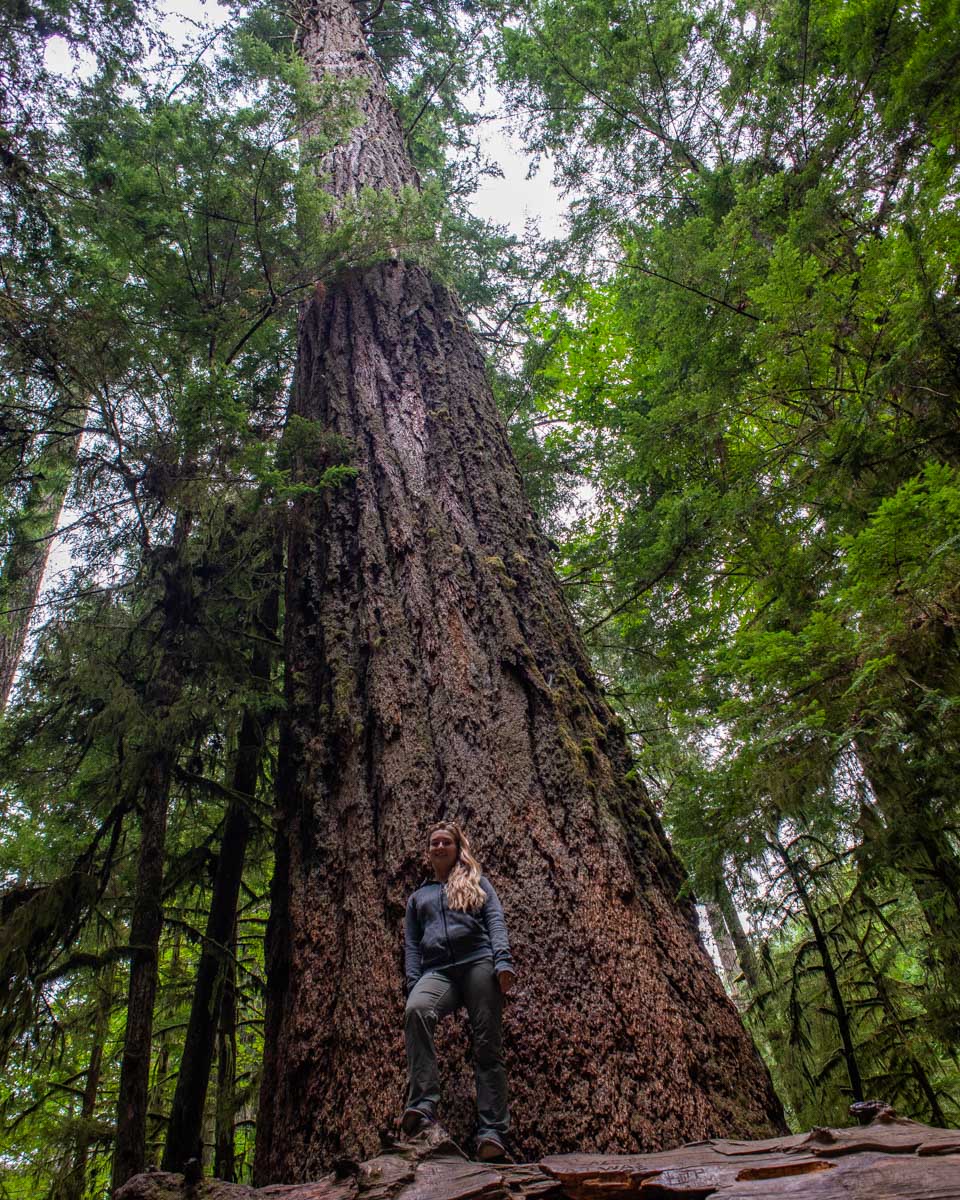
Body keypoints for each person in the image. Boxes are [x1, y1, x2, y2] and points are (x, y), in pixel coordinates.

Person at [402, 822, 515, 1161]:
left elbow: (495, 919)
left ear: (457, 847)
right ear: (429, 851)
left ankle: (492, 1131)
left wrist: (503, 960)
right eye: (434, 842)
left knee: (487, 1046)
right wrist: (412, 984)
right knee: (417, 1010)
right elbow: (411, 944)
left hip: (479, 962)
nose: (439, 847)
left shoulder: (477, 882)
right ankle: (423, 1105)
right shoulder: (417, 897)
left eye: (446, 842)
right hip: (438, 971)